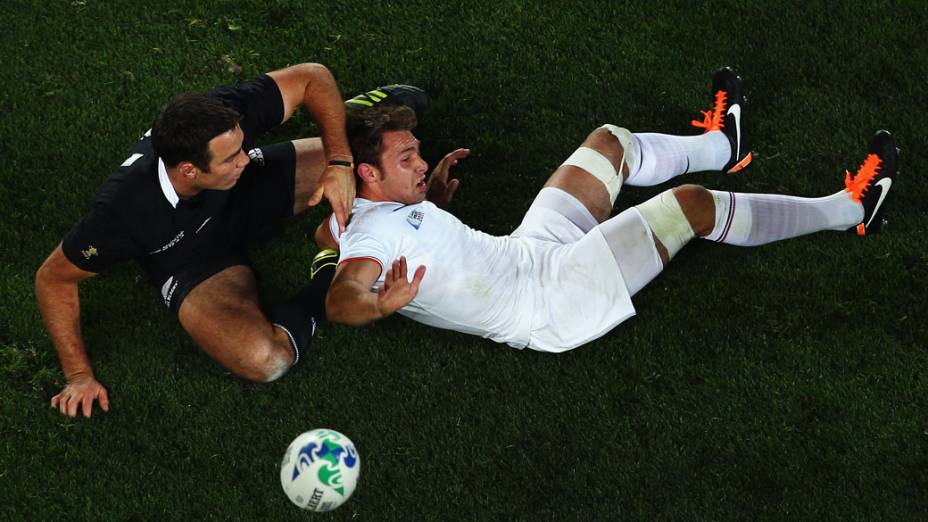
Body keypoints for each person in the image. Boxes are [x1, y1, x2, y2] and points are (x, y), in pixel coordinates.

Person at [322, 68, 898, 353]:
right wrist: (377, 305)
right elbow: (342, 296)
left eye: (417, 150)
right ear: (366, 175)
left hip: (531, 250)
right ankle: (851, 207)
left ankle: (726, 146)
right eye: (407, 157)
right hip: (551, 303)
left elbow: (406, 235)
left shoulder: (392, 206)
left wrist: (433, 202)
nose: (421, 160)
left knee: (608, 142)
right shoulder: (366, 239)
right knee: (689, 207)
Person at [35, 63, 426, 418]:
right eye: (231, 156)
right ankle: (327, 276)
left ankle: (354, 122)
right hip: (193, 260)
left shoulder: (216, 116)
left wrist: (339, 162)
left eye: (241, 146)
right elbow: (54, 279)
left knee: (373, 168)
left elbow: (312, 76)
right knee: (266, 360)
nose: (243, 156)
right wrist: (79, 375)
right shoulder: (121, 214)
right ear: (189, 170)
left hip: (246, 192)